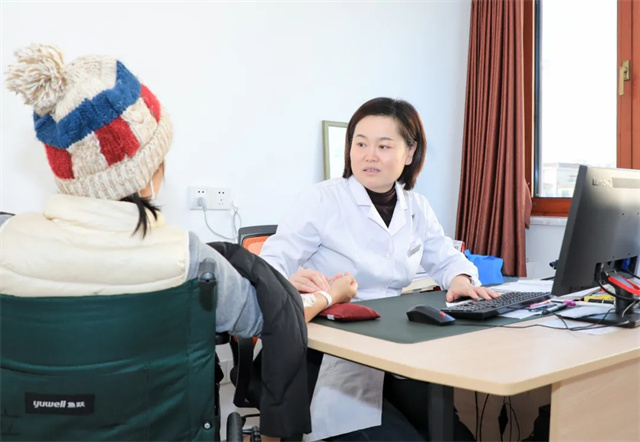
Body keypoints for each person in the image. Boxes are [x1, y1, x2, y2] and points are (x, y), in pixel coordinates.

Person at [0, 44, 314, 441]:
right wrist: (324, 295)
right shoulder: (189, 258)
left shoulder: (8, 241)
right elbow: (263, 318)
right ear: (148, 174)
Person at [260, 97, 499, 441]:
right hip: (332, 353)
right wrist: (288, 280)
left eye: (384, 146)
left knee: (454, 435)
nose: (369, 155)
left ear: (410, 152)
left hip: (394, 345)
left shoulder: (416, 206)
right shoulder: (322, 200)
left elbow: (445, 256)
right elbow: (269, 264)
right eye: (360, 144)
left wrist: (460, 279)